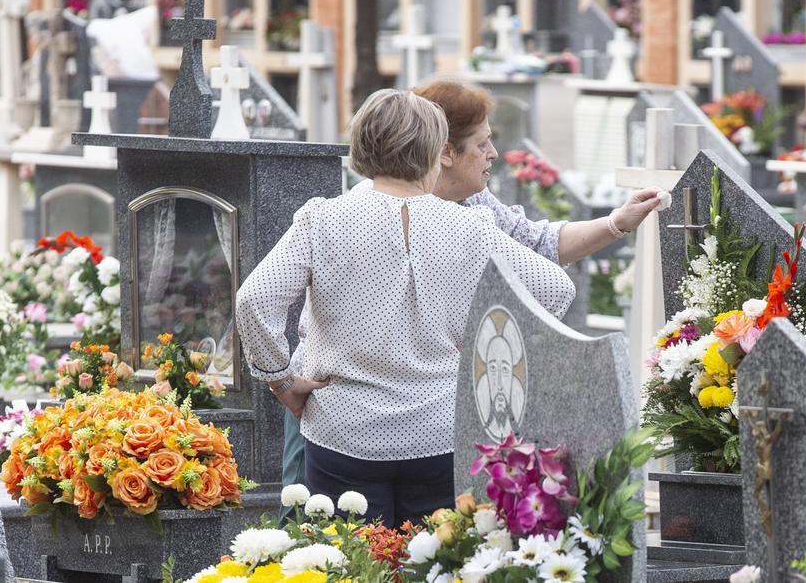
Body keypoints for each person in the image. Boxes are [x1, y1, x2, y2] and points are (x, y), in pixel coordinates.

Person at [270, 79, 666, 510]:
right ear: (442, 151)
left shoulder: (472, 209)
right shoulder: (447, 223)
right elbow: (552, 288)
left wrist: (616, 223)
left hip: (354, 418)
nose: (493, 154)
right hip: (356, 411)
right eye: (482, 143)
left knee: (346, 557)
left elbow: (537, 244)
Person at [236, 89, 576, 528]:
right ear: (436, 151)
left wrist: (280, 380)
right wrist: (479, 354)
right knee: (429, 565)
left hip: (343, 426)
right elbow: (554, 289)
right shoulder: (468, 227)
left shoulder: (324, 219)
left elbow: (254, 299)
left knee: (350, 567)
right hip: (439, 430)